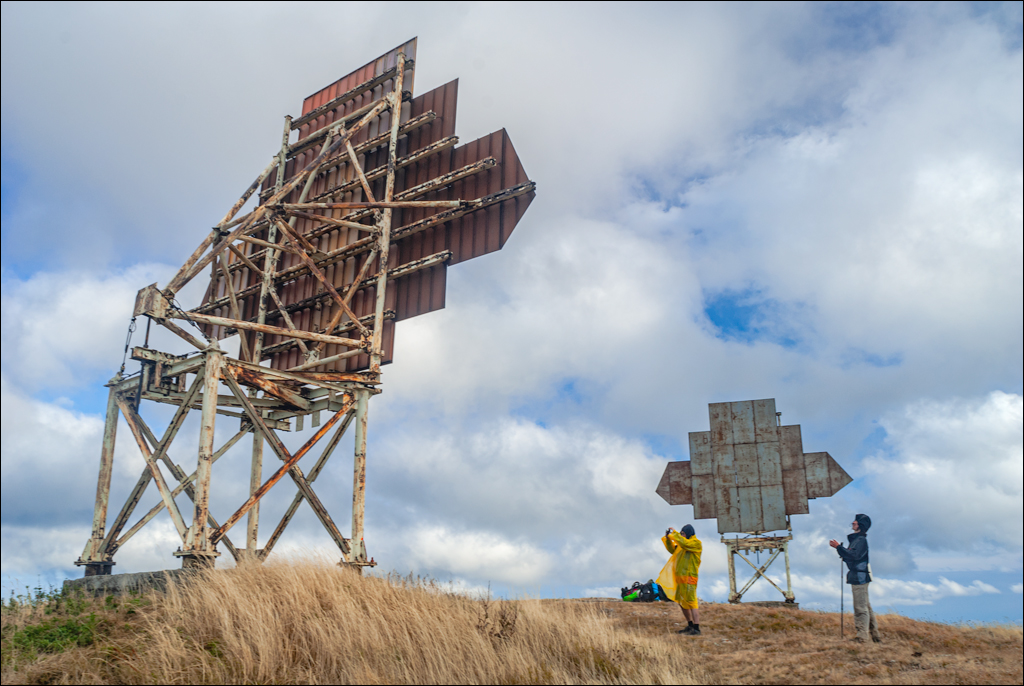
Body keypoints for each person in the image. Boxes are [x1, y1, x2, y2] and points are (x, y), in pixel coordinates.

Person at [830, 513, 881, 643]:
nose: (853, 523)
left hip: (859, 577)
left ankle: (862, 637)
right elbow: (852, 555)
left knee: (860, 607)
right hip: (860, 575)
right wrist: (840, 549)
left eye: (856, 522)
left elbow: (853, 555)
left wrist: (839, 547)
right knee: (865, 606)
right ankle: (875, 636)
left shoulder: (860, 540)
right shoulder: (858, 540)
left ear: (860, 525)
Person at [657, 524, 703, 635]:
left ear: (688, 533)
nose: (682, 536)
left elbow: (684, 542)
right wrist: (668, 539)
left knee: (692, 602)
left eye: (683, 534)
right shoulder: (682, 545)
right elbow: (672, 549)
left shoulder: (696, 543)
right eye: (681, 534)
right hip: (680, 578)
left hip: (689, 577)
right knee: (682, 602)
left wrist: (675, 534)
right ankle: (690, 625)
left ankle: (696, 628)